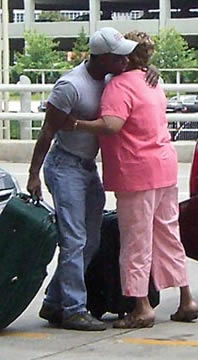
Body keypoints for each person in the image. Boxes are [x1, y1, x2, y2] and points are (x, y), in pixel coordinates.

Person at [67, 31, 198, 329]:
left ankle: (141, 307)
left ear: (126, 56)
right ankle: (186, 299)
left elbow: (112, 125)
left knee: (136, 242)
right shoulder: (154, 82)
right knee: (168, 235)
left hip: (136, 172)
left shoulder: (119, 86)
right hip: (164, 167)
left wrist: (73, 124)